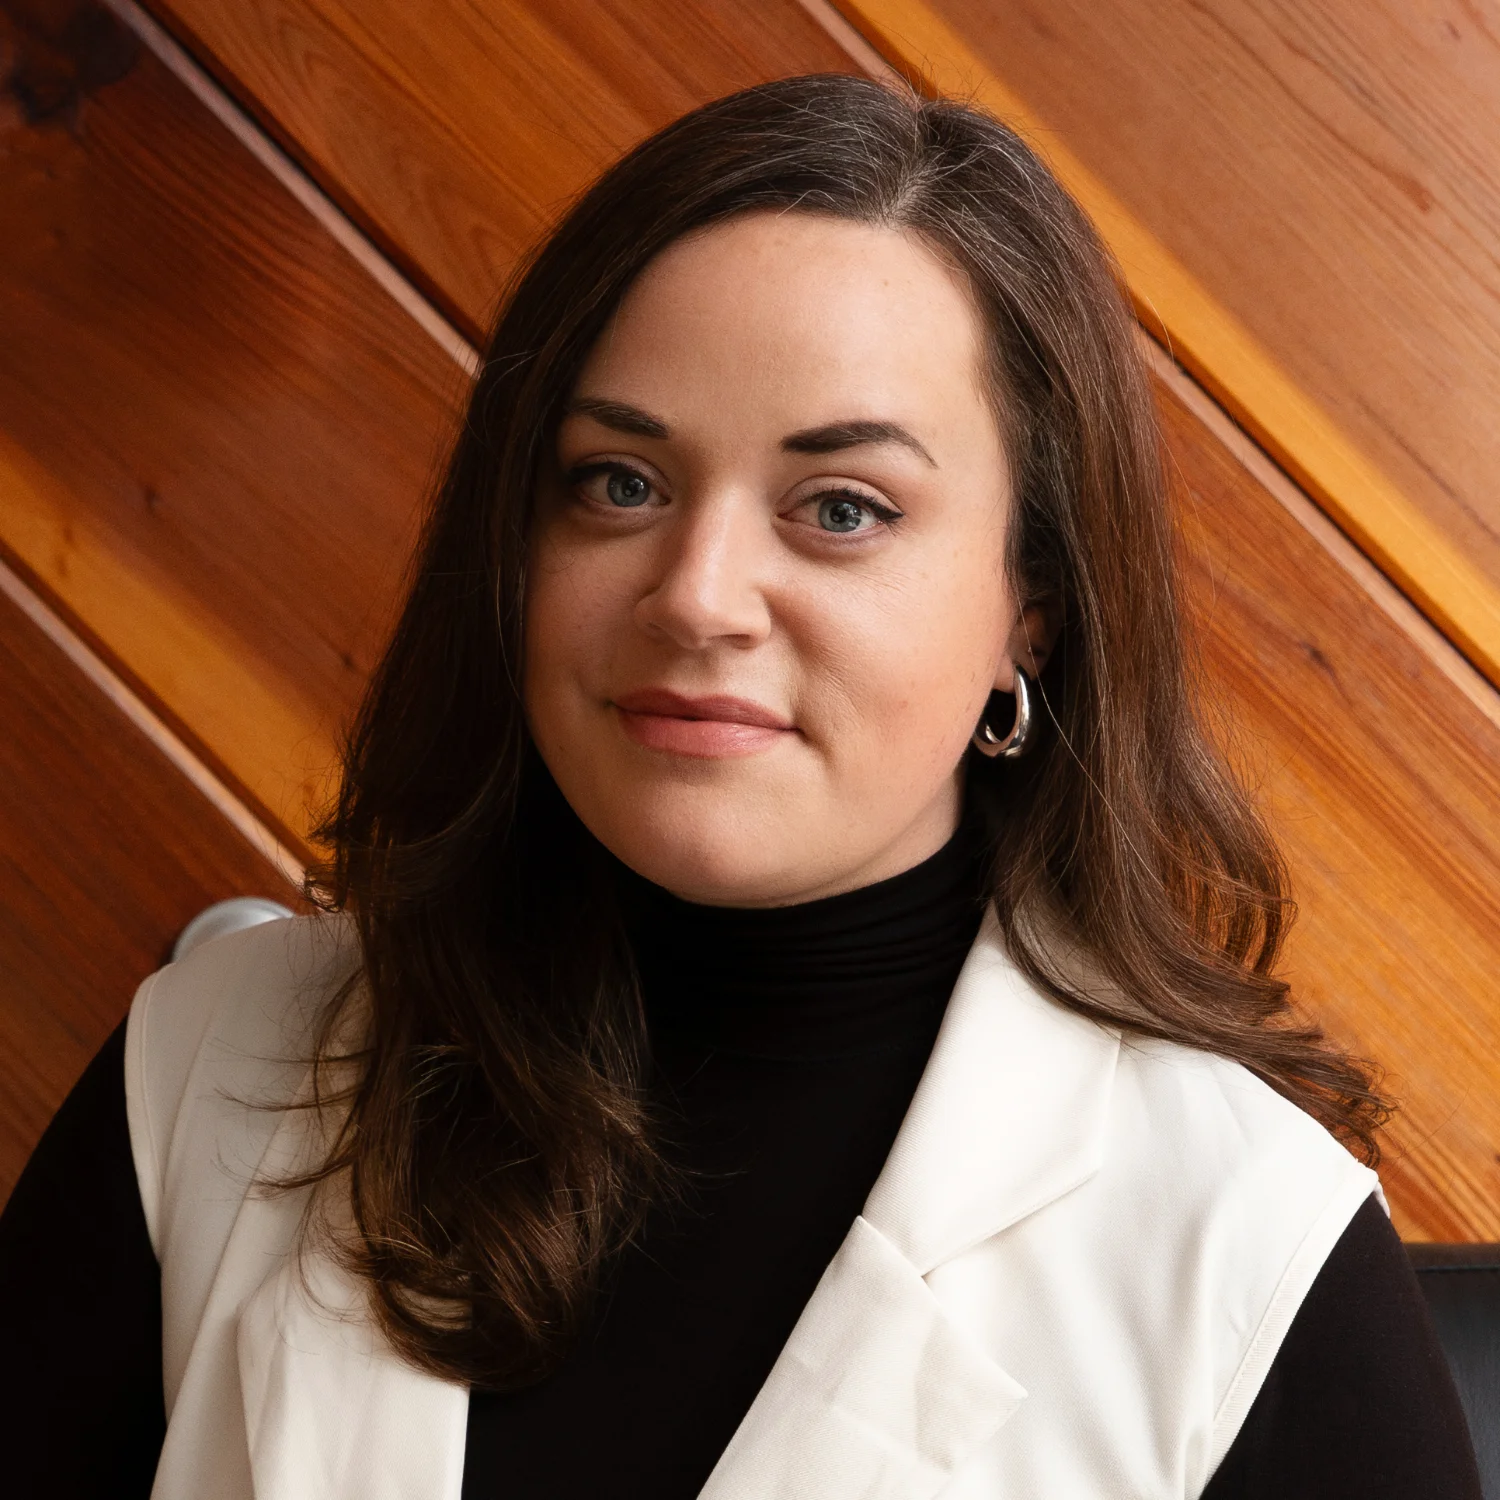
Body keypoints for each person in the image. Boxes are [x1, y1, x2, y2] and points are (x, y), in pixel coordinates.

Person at [0, 74, 1480, 1500]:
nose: (699, 595)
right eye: (619, 483)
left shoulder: (1245, 1250)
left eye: (843, 508)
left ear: (1032, 600)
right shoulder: (203, 1068)